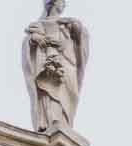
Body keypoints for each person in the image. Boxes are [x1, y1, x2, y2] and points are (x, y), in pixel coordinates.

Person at [22, 0, 89, 135]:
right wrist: (36, 39)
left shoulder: (68, 23)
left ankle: (65, 123)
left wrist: (77, 26)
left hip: (68, 62)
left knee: (69, 92)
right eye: (61, 1)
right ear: (53, 3)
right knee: (49, 90)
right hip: (48, 63)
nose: (63, 5)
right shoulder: (39, 24)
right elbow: (28, 43)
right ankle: (50, 122)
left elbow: (81, 38)